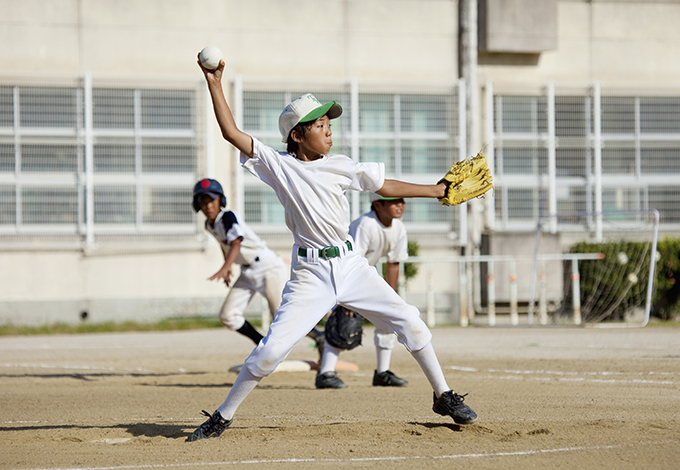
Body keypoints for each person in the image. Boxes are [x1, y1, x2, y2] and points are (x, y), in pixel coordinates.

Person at [188, 54, 478, 441]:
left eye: (329, 124)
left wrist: (437, 190)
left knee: (410, 320)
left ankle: (443, 395)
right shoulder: (278, 166)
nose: (329, 131)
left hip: (351, 265)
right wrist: (214, 82)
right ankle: (222, 416)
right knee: (270, 352)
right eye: (320, 125)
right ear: (296, 135)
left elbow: (383, 186)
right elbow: (231, 132)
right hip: (309, 275)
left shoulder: (339, 164)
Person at [192, 177, 325, 349]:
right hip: (248, 271)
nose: (208, 206)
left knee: (281, 317)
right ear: (197, 205)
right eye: (203, 202)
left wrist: (224, 268)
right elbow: (224, 244)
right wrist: (229, 267)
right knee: (228, 315)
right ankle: (261, 344)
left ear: (220, 201)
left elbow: (236, 243)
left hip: (267, 266)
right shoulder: (209, 225)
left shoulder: (227, 216)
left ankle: (319, 336)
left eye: (212, 200)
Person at [315, 193, 410, 389]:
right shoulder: (366, 225)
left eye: (402, 201)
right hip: (337, 273)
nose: (400, 204)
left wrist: (389, 296)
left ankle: (382, 373)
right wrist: (348, 298)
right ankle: (325, 373)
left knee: (388, 316)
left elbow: (393, 263)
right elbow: (348, 259)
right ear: (377, 205)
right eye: (394, 201)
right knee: (344, 320)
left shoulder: (399, 228)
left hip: (358, 275)